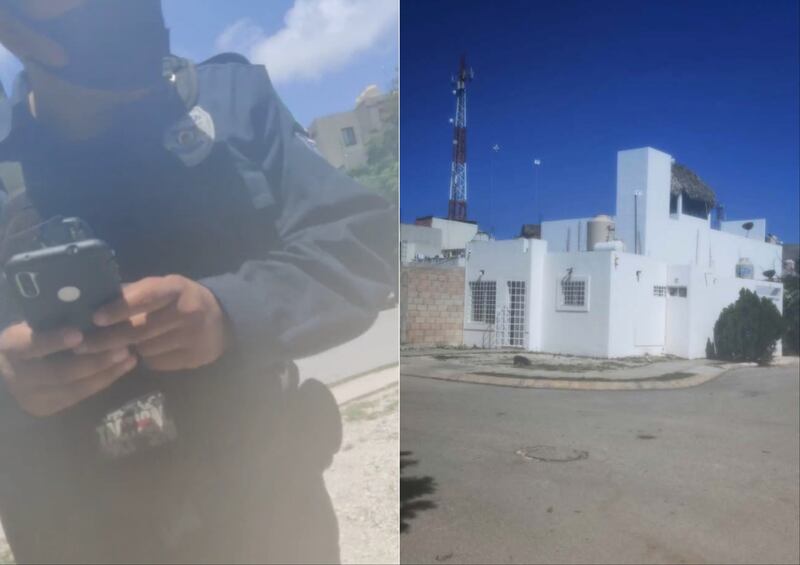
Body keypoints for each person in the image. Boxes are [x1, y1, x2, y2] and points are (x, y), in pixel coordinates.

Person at [0, 1, 395, 563]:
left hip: (264, 520)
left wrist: (232, 310)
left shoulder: (230, 103)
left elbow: (361, 245)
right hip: (81, 533)